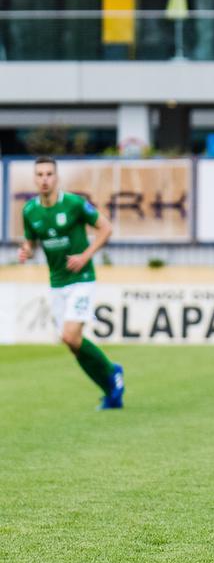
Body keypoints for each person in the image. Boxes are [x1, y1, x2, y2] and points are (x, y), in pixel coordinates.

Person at [18, 156, 125, 410]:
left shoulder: (75, 204)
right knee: (72, 344)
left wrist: (86, 256)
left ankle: (112, 374)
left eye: (49, 174)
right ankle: (111, 388)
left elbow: (106, 228)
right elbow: (31, 243)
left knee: (70, 335)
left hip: (82, 279)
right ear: (35, 179)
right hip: (57, 282)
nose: (44, 179)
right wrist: (26, 251)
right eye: (40, 175)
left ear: (57, 178)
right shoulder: (30, 211)